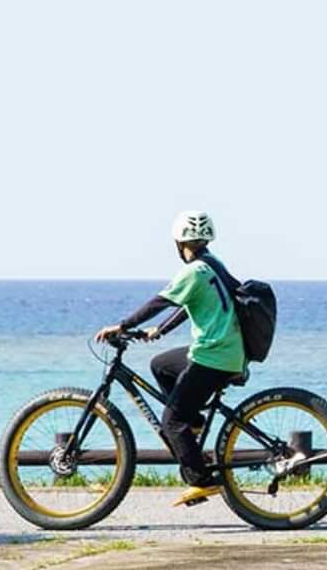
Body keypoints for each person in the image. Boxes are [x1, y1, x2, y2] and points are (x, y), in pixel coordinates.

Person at [93, 211, 247, 508]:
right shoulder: (212, 265)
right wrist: (159, 331)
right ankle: (195, 423)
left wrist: (122, 326)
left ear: (179, 243)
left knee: (171, 421)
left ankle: (201, 479)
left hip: (213, 356)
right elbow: (188, 303)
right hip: (226, 351)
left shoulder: (192, 272)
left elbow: (160, 302)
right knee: (161, 365)